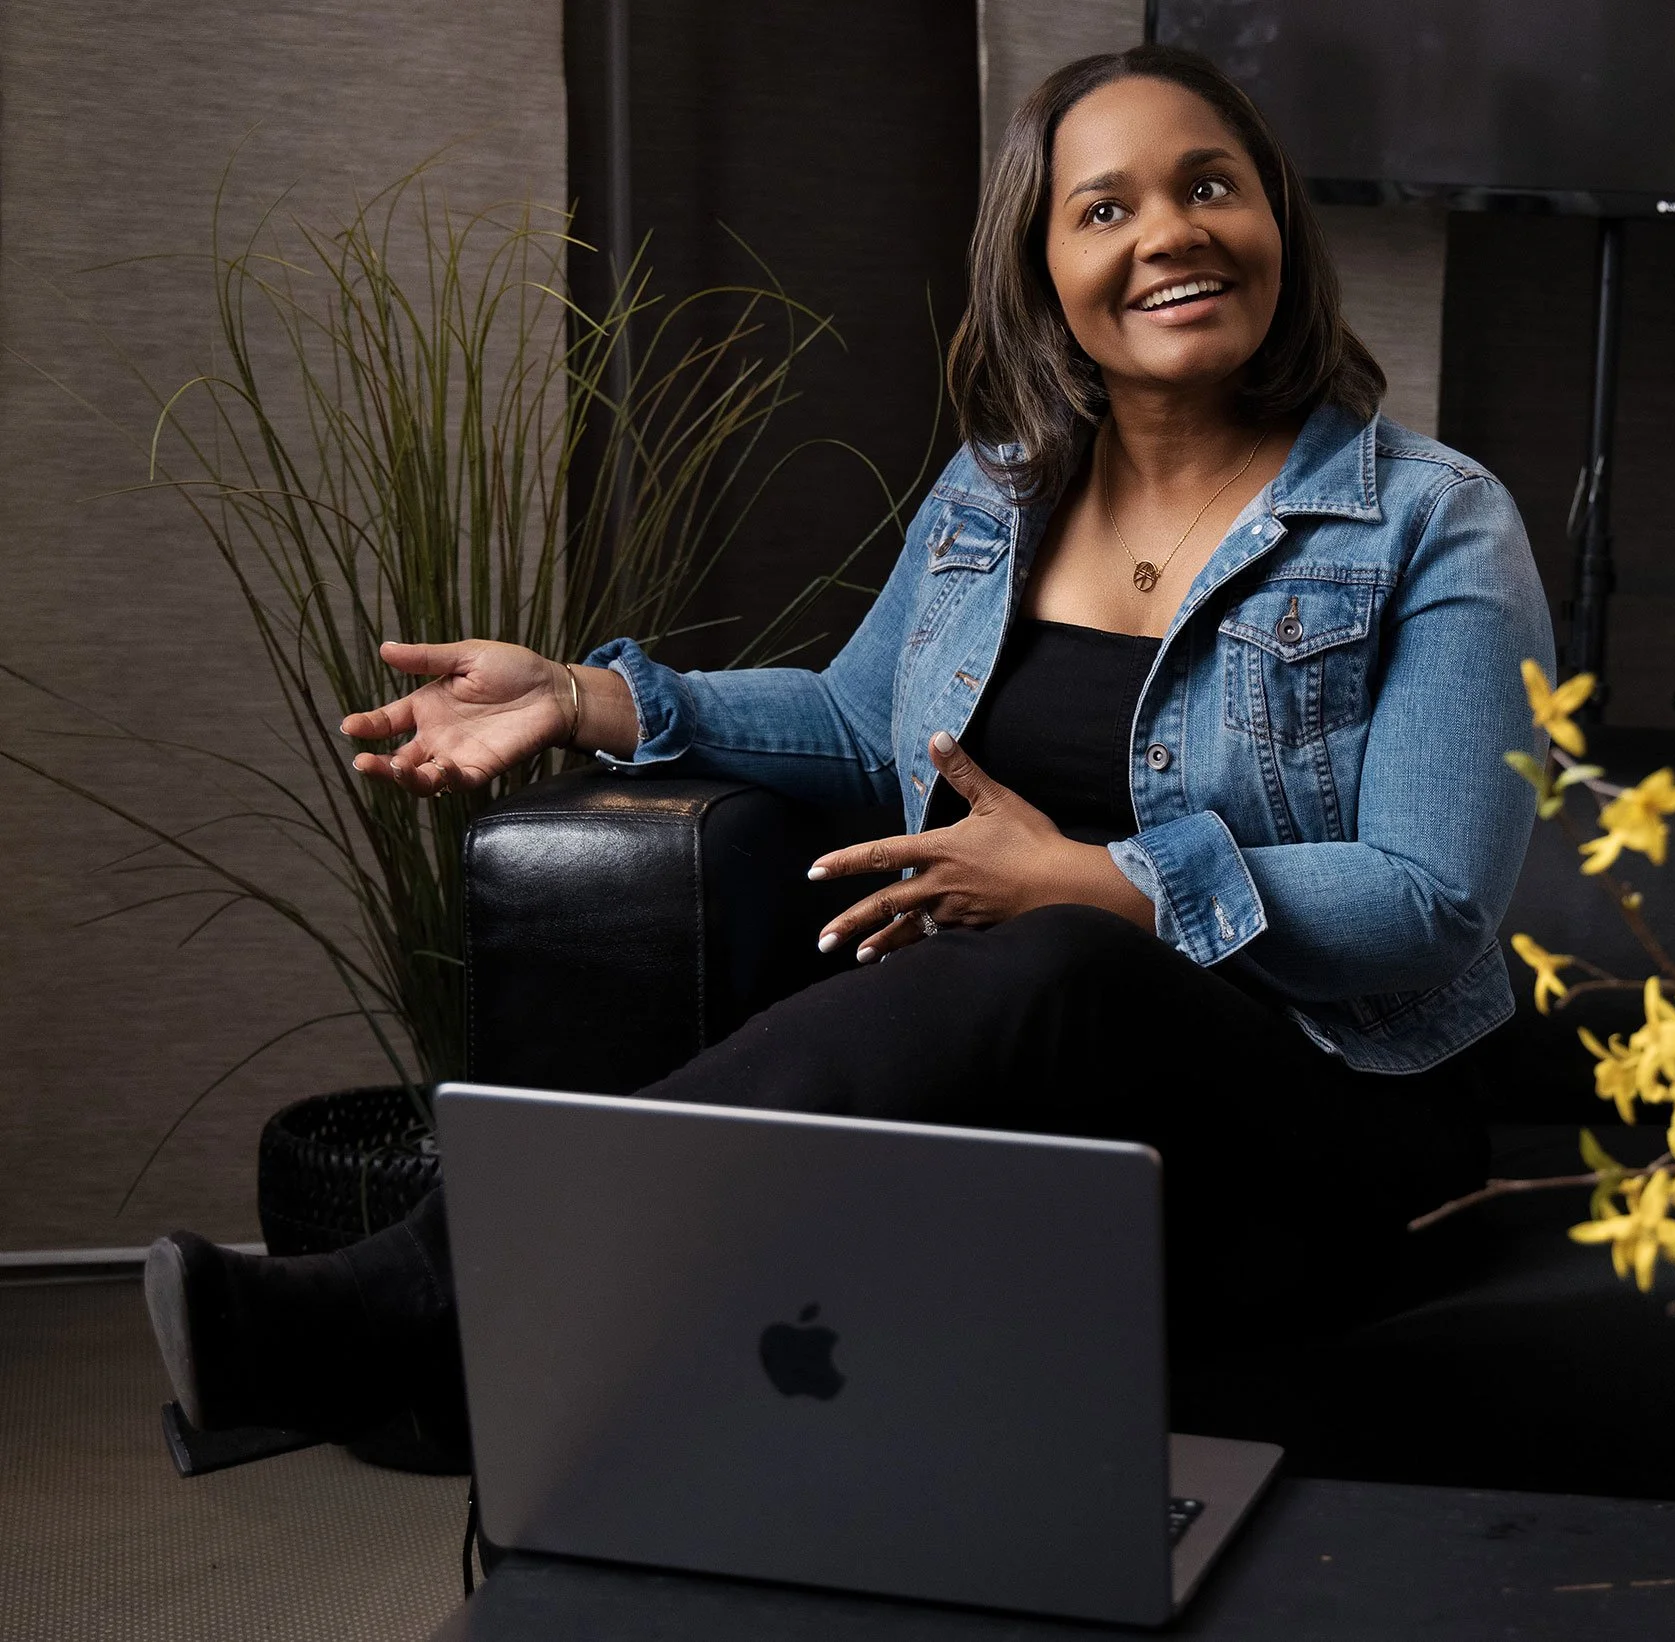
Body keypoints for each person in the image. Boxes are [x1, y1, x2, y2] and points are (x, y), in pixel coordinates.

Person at [143, 43, 1553, 1447]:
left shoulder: (1430, 520)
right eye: (1106, 208)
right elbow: (858, 721)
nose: (1170, 233)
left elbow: (1430, 906)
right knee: (938, 991)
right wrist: (586, 698)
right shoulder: (994, 496)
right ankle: (476, 1349)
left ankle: (396, 1300)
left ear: (1276, 228)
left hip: (1319, 1121)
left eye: (1211, 187)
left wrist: (1098, 883)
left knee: (1061, 956)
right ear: (1042, 267)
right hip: (1031, 1101)